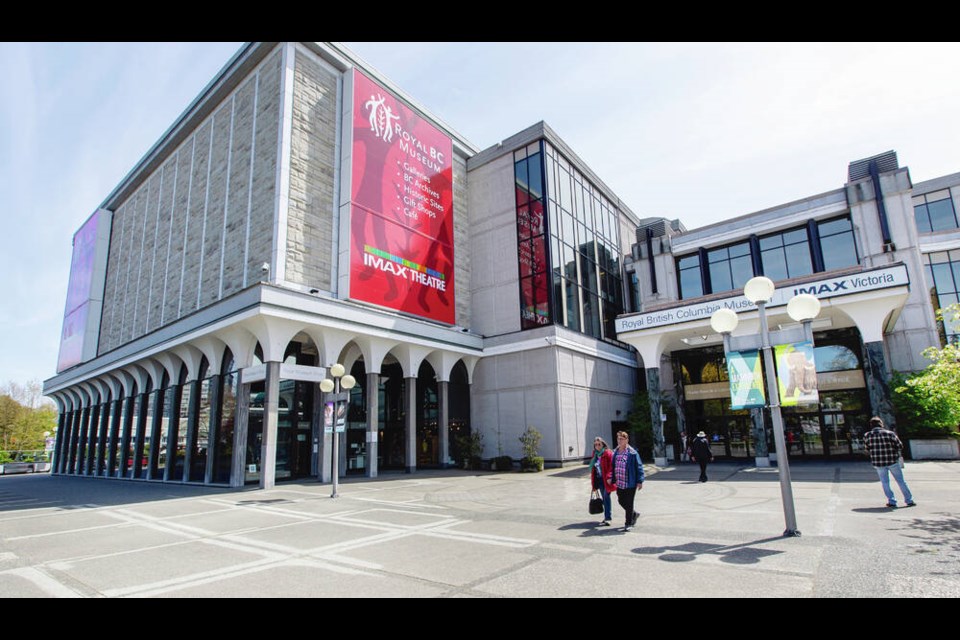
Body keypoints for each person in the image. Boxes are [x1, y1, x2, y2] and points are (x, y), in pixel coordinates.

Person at [862, 416, 916, 508]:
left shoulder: (867, 435)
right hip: (892, 461)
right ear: (881, 424)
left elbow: (867, 448)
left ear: (871, 425)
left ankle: (892, 501)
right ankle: (909, 500)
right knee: (901, 481)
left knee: (885, 482)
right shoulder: (890, 433)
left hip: (878, 462)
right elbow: (899, 446)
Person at [610, 431, 645, 531]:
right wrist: (612, 478)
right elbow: (613, 466)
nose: (619, 441)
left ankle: (628, 523)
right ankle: (634, 514)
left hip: (630, 482)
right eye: (618, 439)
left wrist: (640, 481)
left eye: (622, 439)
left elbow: (639, 467)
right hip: (620, 482)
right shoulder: (615, 452)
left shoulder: (632, 453)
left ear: (626, 440)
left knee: (629, 503)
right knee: (621, 500)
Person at [589, 436, 616, 526]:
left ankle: (608, 518)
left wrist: (609, 477)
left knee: (606, 496)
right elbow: (593, 469)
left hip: (606, 479)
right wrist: (593, 484)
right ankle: (606, 517)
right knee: (604, 498)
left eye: (599, 444)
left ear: (603, 444)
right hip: (599, 479)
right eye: (595, 444)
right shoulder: (595, 454)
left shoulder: (608, 453)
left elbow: (612, 466)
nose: (597, 446)